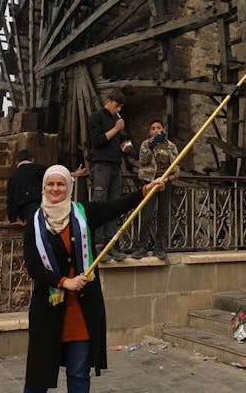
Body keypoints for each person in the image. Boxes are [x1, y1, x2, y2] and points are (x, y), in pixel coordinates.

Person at [22, 165, 165, 392]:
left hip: (82, 308)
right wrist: (63, 282)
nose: (55, 188)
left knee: (79, 373)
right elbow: (34, 266)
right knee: (38, 377)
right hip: (49, 308)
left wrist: (147, 190)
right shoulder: (34, 223)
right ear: (44, 187)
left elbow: (115, 207)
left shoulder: (82, 213)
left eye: (61, 184)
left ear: (69, 186)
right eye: (50, 184)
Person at [87, 89, 134, 261]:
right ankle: (98, 247)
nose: (118, 108)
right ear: (108, 101)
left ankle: (111, 246)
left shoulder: (117, 120)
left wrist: (126, 145)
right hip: (101, 166)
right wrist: (115, 129)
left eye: (121, 106)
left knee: (113, 207)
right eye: (117, 105)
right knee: (100, 206)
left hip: (116, 166)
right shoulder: (96, 117)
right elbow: (97, 141)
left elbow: (123, 139)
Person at [132, 120, 179, 260]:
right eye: (153, 128)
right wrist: (151, 146)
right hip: (150, 182)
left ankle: (159, 246)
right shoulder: (146, 144)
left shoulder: (170, 146)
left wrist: (168, 179)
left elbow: (176, 168)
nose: (156, 130)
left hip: (165, 182)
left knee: (163, 215)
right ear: (150, 131)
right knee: (147, 214)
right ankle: (142, 246)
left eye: (159, 128)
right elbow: (143, 162)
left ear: (163, 129)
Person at [7, 149, 47, 225]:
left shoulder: (13, 177)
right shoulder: (40, 169)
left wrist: (13, 219)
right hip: (43, 206)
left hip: (25, 211)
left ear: (16, 162)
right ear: (32, 159)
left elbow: (10, 200)